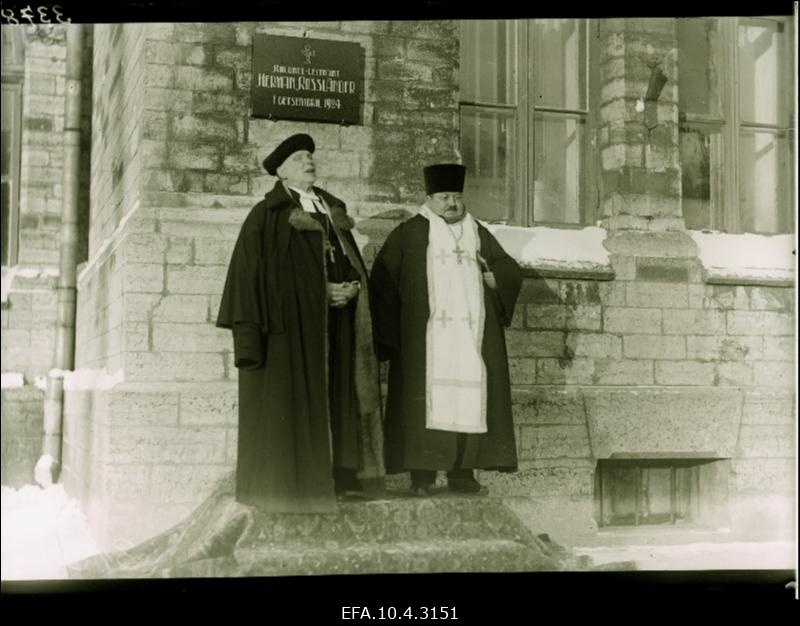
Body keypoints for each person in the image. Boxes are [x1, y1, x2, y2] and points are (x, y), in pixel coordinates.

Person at [216, 133, 383, 513]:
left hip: (338, 326)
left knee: (342, 395)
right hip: (292, 333)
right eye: (299, 157)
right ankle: (301, 485)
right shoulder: (267, 217)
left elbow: (347, 261)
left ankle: (343, 476)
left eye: (310, 155)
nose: (309, 161)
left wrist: (352, 287)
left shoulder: (331, 211)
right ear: (281, 170)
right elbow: (258, 279)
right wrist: (320, 292)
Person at [369, 164, 522, 496]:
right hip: (425, 341)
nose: (451, 203)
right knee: (423, 403)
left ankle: (462, 474)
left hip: (471, 339)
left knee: (471, 398)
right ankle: (422, 476)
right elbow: (381, 281)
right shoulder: (409, 233)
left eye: (455, 196)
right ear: (428, 198)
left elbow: (508, 266)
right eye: (443, 197)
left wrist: (497, 279)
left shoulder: (477, 232)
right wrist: (390, 336)